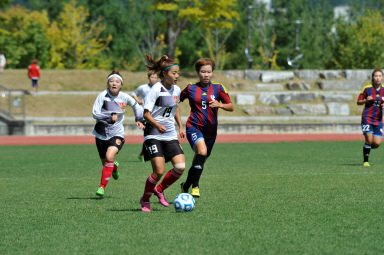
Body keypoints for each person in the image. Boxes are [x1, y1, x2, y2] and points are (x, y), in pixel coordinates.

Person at [180, 58, 233, 197]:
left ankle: (186, 185)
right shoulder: (191, 88)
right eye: (203, 72)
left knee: (200, 159)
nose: (206, 75)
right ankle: (195, 187)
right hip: (194, 127)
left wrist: (220, 105)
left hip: (211, 131)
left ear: (212, 73)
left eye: (209, 72)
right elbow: (174, 101)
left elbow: (231, 106)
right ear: (198, 72)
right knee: (201, 151)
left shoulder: (219, 88)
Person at [140, 54, 186, 212]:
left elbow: (176, 108)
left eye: (178, 73)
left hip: (170, 134)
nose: (177, 76)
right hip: (153, 133)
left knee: (180, 167)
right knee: (158, 171)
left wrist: (180, 126)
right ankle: (145, 199)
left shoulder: (177, 90)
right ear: (165, 74)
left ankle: (158, 190)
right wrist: (158, 125)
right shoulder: (155, 90)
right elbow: (146, 114)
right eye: (174, 73)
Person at [92, 70, 145, 197]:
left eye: (117, 81)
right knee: (106, 163)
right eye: (111, 81)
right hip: (100, 134)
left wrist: (138, 118)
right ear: (107, 84)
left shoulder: (125, 97)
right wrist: (108, 117)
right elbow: (95, 113)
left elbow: (136, 105)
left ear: (121, 85)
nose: (114, 83)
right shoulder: (102, 96)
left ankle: (101, 187)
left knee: (109, 157)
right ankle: (114, 167)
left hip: (117, 133)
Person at [357, 69, 384, 167]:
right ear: (372, 77)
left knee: (376, 143)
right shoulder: (367, 89)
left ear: (382, 77)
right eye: (375, 76)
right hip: (367, 118)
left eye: (379, 76)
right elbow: (358, 102)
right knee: (369, 139)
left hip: (378, 120)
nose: (377, 78)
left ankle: (366, 147)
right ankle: (365, 161)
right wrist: (365, 100)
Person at [132, 70, 158, 162]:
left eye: (155, 77)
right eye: (152, 77)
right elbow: (134, 94)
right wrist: (138, 100)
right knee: (150, 134)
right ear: (148, 78)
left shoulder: (159, 88)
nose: (153, 79)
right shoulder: (143, 88)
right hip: (145, 115)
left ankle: (144, 154)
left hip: (155, 115)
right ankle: (147, 154)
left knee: (151, 135)